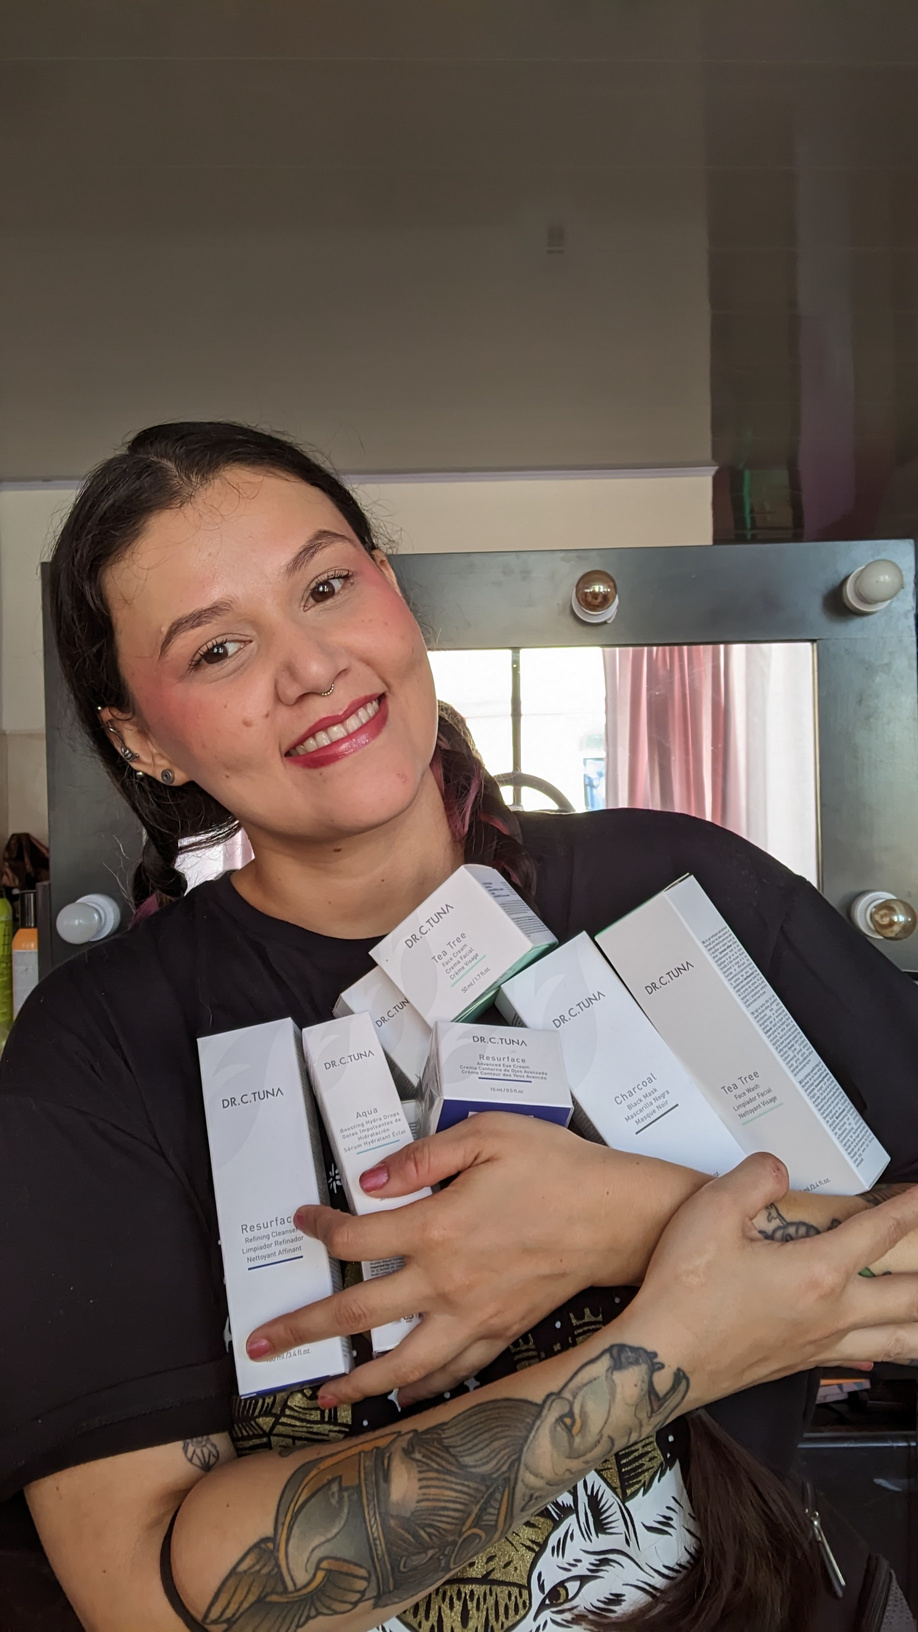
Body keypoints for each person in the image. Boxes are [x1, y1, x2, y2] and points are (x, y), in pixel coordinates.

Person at [3, 421, 918, 1632]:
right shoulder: (102, 1045)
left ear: (391, 587)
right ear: (138, 736)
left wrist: (632, 1219)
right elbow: (144, 1596)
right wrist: (680, 1340)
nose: (311, 666)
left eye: (327, 586)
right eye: (220, 649)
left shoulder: (678, 888)